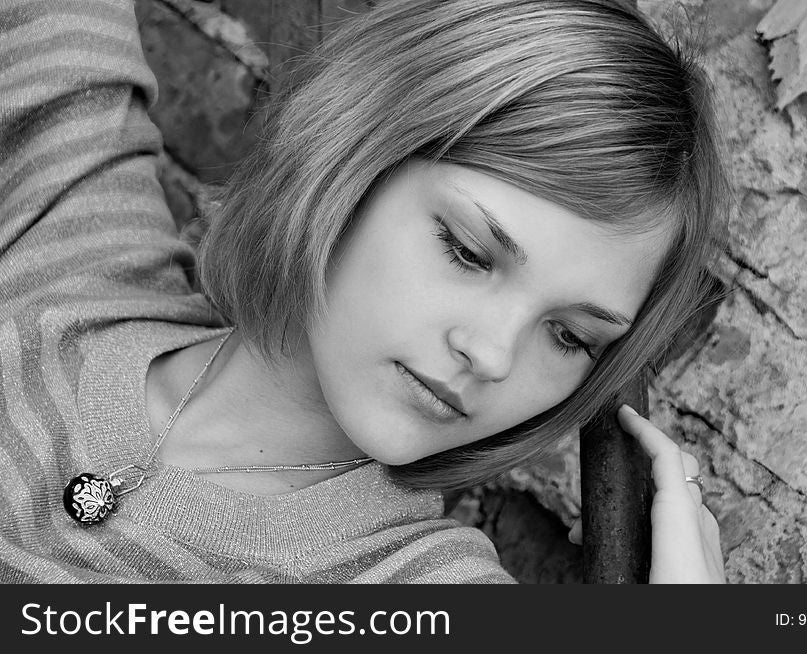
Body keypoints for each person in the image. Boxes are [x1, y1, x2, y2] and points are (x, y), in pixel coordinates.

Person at [0, 0, 726, 583]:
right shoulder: (72, 244)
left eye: (570, 336)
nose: (492, 355)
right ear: (359, 151)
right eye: (468, 252)